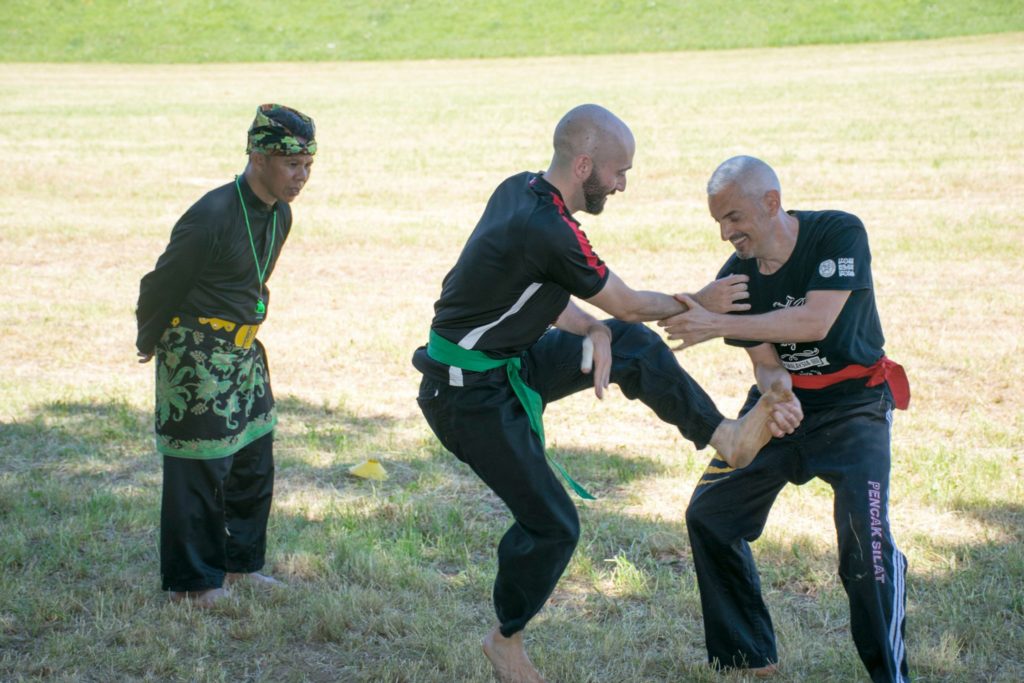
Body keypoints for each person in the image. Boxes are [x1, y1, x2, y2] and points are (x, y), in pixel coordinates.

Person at [412, 106, 801, 683]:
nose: (622, 184)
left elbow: (537, 294)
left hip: (505, 363)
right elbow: (630, 302)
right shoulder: (550, 228)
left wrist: (594, 329)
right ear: (585, 164)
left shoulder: (520, 191)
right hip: (466, 396)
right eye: (619, 172)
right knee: (553, 525)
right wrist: (699, 301)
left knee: (629, 344)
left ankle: (724, 436)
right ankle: (505, 640)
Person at [659, 155, 911, 682]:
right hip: (784, 407)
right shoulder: (736, 279)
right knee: (710, 514)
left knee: (867, 552)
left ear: (770, 202)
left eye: (733, 217)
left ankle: (891, 676)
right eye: (718, 222)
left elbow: (816, 321)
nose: (727, 233)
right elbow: (767, 364)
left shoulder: (837, 233)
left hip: (855, 407)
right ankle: (749, 661)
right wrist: (778, 396)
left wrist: (717, 322)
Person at [135, 104, 316, 607]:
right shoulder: (211, 215)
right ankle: (194, 585)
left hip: (244, 352)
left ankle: (239, 568)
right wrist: (149, 341)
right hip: (195, 354)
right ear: (258, 158)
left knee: (254, 461)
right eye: (290, 164)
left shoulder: (281, 212)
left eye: (308, 166)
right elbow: (160, 284)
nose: (301, 177)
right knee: (198, 471)